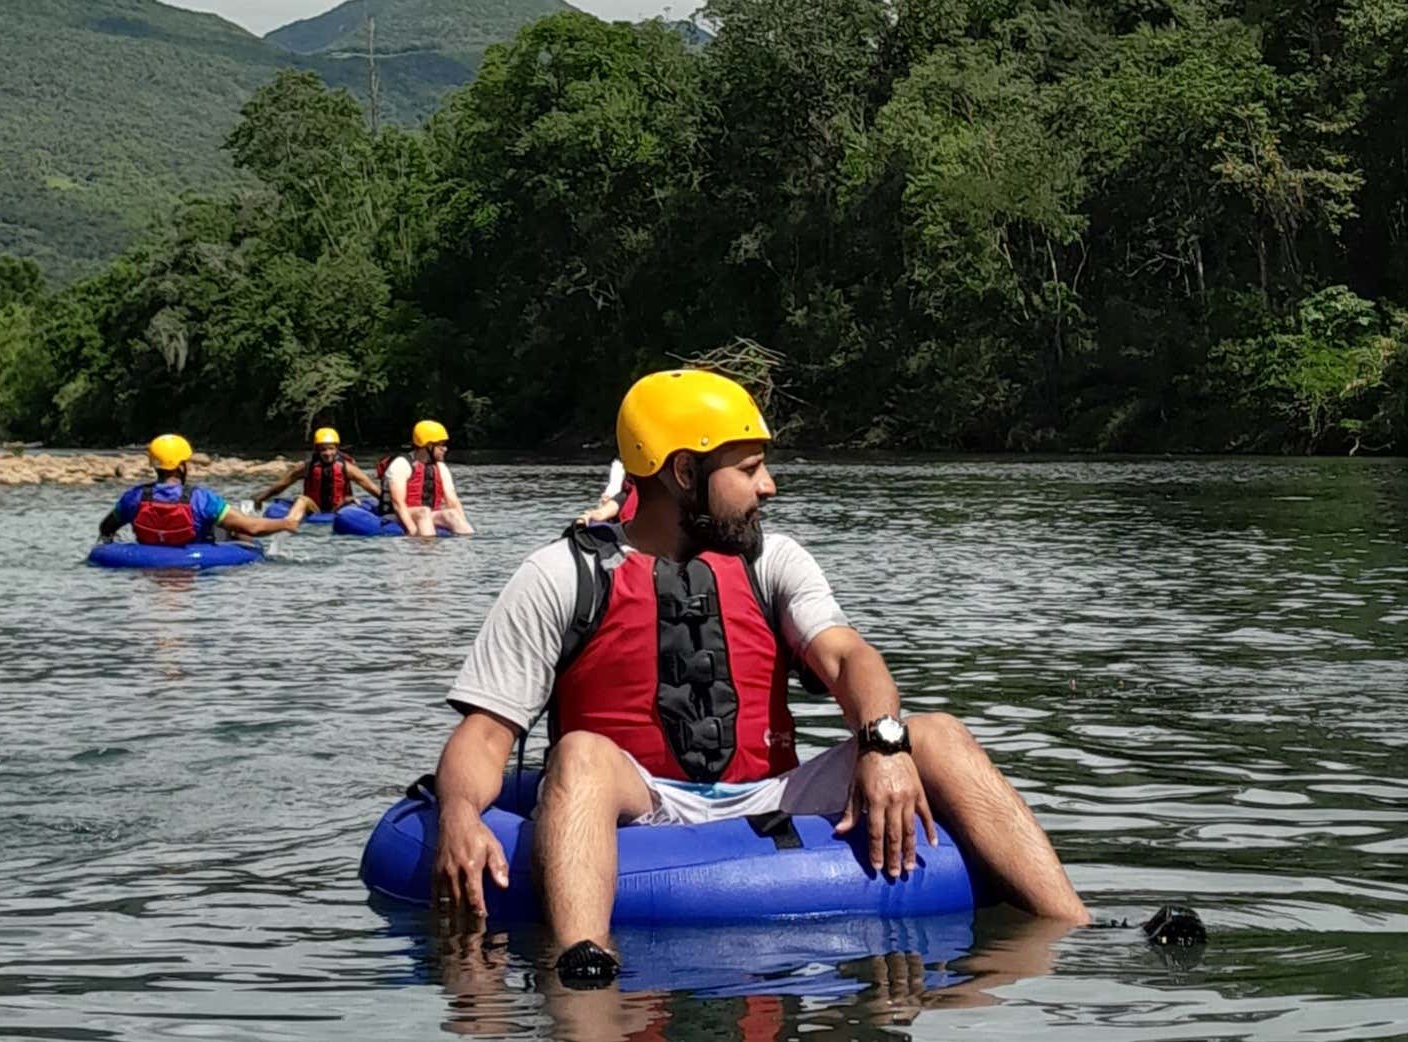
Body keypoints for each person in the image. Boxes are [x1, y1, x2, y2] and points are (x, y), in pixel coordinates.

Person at [423, 369, 1089, 989]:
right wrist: (457, 813)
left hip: (770, 793)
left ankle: (1075, 931)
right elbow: (485, 733)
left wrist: (883, 747)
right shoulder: (560, 575)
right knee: (578, 754)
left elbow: (847, 658)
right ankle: (585, 975)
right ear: (684, 472)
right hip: (638, 800)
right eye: (748, 470)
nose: (767, 486)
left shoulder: (773, 560)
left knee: (935, 734)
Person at [99, 434, 302, 546]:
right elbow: (252, 528)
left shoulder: (134, 497)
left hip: (148, 557)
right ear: (180, 467)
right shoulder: (201, 498)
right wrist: (286, 523)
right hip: (196, 559)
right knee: (234, 524)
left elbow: (106, 529)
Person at [249, 427, 384, 520]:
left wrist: (388, 503)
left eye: (331, 449)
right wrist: (261, 497)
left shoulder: (347, 468)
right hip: (314, 509)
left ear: (337, 448)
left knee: (350, 500)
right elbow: (283, 484)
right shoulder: (307, 467)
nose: (327, 453)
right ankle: (288, 523)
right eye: (323, 449)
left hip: (340, 508)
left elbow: (370, 487)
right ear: (317, 450)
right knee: (302, 499)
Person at [382, 420, 474, 538]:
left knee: (451, 514)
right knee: (423, 512)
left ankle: (469, 548)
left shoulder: (440, 467)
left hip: (427, 513)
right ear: (428, 445)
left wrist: (462, 520)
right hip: (396, 514)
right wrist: (412, 530)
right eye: (441, 444)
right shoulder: (402, 464)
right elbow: (398, 503)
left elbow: (453, 501)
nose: (445, 449)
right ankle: (427, 552)